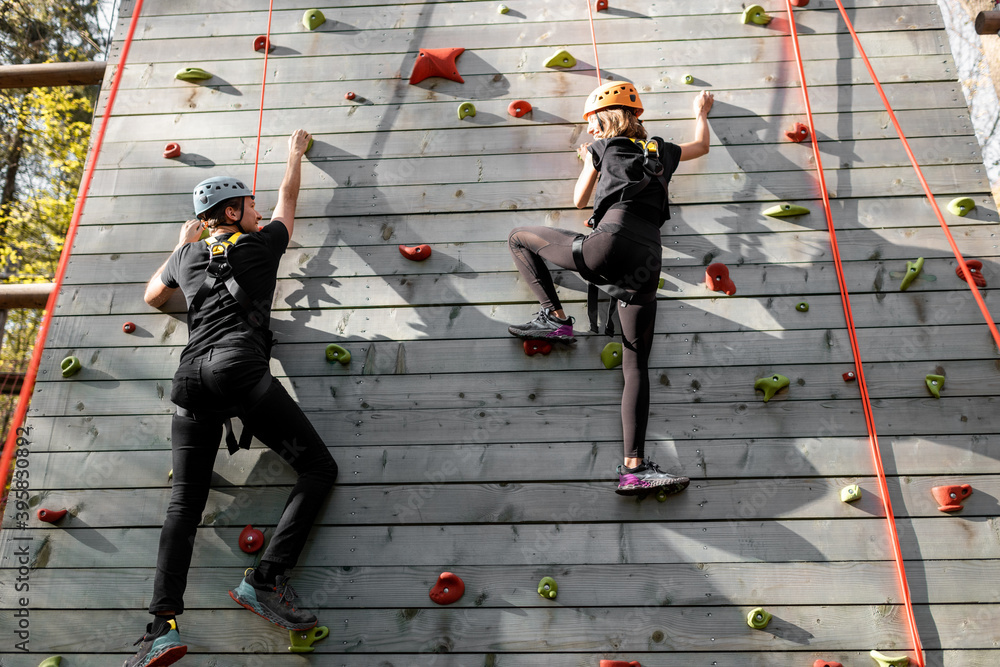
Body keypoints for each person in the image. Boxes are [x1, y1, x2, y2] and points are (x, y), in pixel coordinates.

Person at [125, 130, 338, 667]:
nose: (259, 209)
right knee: (317, 468)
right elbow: (288, 204)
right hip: (239, 369)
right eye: (250, 204)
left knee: (184, 505)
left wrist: (182, 244)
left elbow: (154, 297)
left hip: (189, 380)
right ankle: (264, 581)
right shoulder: (262, 243)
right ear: (235, 211)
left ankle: (161, 626)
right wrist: (294, 157)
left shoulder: (188, 254)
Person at [506, 82, 713, 496]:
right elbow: (701, 146)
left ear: (601, 122)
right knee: (635, 366)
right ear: (637, 119)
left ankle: (556, 317)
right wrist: (700, 112)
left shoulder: (602, 148)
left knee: (519, 236)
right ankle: (634, 469)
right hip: (647, 258)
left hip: (609, 242)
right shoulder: (661, 151)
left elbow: (580, 200)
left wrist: (589, 160)